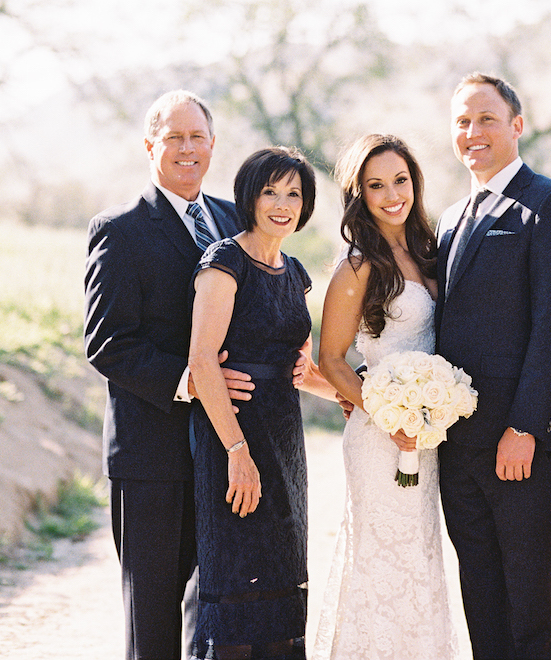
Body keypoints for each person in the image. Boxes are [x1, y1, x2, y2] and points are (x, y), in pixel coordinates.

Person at [84, 90, 251, 659]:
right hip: (151, 454)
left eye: (196, 137)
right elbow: (108, 344)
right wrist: (194, 381)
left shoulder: (235, 219)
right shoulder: (120, 229)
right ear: (150, 145)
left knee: (222, 611)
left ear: (212, 145)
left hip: (228, 453)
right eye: (173, 137)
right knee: (153, 618)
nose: (187, 148)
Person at [435, 72, 551, 659]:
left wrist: (524, 427)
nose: (473, 132)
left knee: (529, 603)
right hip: (457, 444)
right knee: (481, 596)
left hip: (523, 443)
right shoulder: (451, 218)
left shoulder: (550, 205)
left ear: (517, 126)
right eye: (462, 122)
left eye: (487, 119)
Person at [188, 146, 336, 659]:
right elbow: (203, 361)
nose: (282, 203)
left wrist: (363, 401)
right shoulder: (224, 261)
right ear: (249, 197)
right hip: (233, 440)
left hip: (285, 445)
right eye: (270, 191)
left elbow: (302, 370)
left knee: (281, 581)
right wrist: (236, 450)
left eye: (294, 193)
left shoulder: (295, 273)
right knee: (236, 586)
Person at [313, 134, 457, 658]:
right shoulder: (357, 267)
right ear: (360, 196)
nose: (392, 194)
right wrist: (388, 413)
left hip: (427, 433)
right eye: (376, 185)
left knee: (420, 555)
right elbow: (330, 359)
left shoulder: (429, 251)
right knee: (383, 558)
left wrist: (427, 414)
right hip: (381, 440)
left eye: (400, 180)